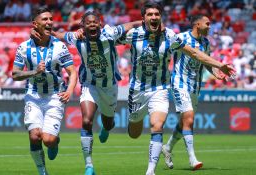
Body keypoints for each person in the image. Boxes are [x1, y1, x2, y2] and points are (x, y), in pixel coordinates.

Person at [117, 2, 235, 175]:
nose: (154, 17)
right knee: (134, 132)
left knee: (157, 126)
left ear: (160, 17)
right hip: (137, 90)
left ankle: (150, 171)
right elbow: (109, 38)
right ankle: (137, 124)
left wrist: (219, 65)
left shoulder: (170, 36)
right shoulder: (134, 35)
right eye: (149, 14)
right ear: (143, 18)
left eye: (157, 14)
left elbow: (194, 53)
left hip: (160, 88)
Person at [31, 11, 141, 175]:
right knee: (87, 120)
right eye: (88, 23)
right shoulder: (77, 37)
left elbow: (130, 25)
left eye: (94, 22)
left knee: (109, 123)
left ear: (100, 24)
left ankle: (106, 127)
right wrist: (41, 31)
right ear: (82, 26)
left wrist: (147, 22)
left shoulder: (109, 33)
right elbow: (59, 35)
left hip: (109, 87)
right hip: (89, 85)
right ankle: (89, 165)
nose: (91, 25)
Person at [12, 7, 77, 175]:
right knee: (34, 136)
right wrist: (34, 72)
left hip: (55, 96)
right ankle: (42, 171)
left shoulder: (60, 47)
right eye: (45, 19)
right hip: (33, 95)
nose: (49, 22)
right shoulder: (23, 47)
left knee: (48, 140)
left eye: (51, 19)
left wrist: (70, 90)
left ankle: (55, 142)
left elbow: (72, 72)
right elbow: (15, 74)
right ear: (35, 24)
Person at [161, 14, 228, 171]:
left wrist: (215, 73)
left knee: (184, 121)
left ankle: (168, 147)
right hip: (179, 83)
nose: (210, 26)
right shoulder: (181, 37)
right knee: (189, 118)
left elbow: (206, 60)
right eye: (208, 23)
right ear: (197, 24)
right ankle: (192, 159)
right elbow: (164, 52)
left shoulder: (205, 42)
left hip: (195, 86)